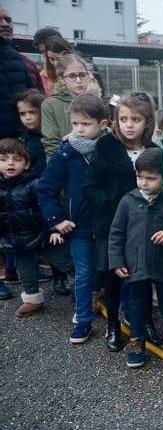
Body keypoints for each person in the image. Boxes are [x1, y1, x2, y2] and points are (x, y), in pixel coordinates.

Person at [83, 92, 160, 352]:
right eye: (123, 118)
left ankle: (145, 319)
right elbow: (91, 185)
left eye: (135, 119)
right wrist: (114, 206)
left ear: (147, 121)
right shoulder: (106, 146)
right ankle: (113, 324)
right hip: (112, 225)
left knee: (143, 276)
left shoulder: (153, 151)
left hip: (145, 227)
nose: (129, 124)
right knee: (114, 277)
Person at [37, 93, 109, 344]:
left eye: (86, 124)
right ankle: (84, 319)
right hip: (79, 226)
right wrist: (56, 220)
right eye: (75, 123)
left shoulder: (111, 148)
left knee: (113, 269)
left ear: (103, 124)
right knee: (83, 272)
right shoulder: (66, 154)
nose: (79, 129)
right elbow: (44, 188)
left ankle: (121, 317)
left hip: (108, 223)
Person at [108, 148, 163, 368]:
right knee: (137, 304)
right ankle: (136, 340)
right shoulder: (128, 201)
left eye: (151, 178)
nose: (144, 183)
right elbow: (116, 233)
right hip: (135, 265)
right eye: (140, 177)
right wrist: (117, 261)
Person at [0, 139, 72, 317]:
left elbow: (51, 206)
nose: (10, 163)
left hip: (44, 234)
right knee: (26, 272)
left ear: (26, 163)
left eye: (16, 159)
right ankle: (32, 299)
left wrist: (55, 229)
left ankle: (91, 289)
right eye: (3, 159)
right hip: (17, 238)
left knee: (67, 263)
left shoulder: (35, 183)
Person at [16, 88, 71, 295]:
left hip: (55, 191)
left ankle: (63, 275)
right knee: (49, 236)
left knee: (59, 237)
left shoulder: (50, 136)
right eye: (23, 114)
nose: (28, 118)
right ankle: (57, 276)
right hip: (36, 194)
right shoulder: (25, 140)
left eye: (32, 112)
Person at [41, 53, 101, 157]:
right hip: (66, 160)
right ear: (62, 80)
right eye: (72, 76)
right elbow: (51, 143)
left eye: (82, 75)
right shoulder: (50, 104)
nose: (78, 80)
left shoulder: (97, 100)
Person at [0, 7, 36, 140]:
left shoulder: (16, 57)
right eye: (0, 20)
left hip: (18, 137)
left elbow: (32, 94)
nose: (4, 24)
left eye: (8, 20)